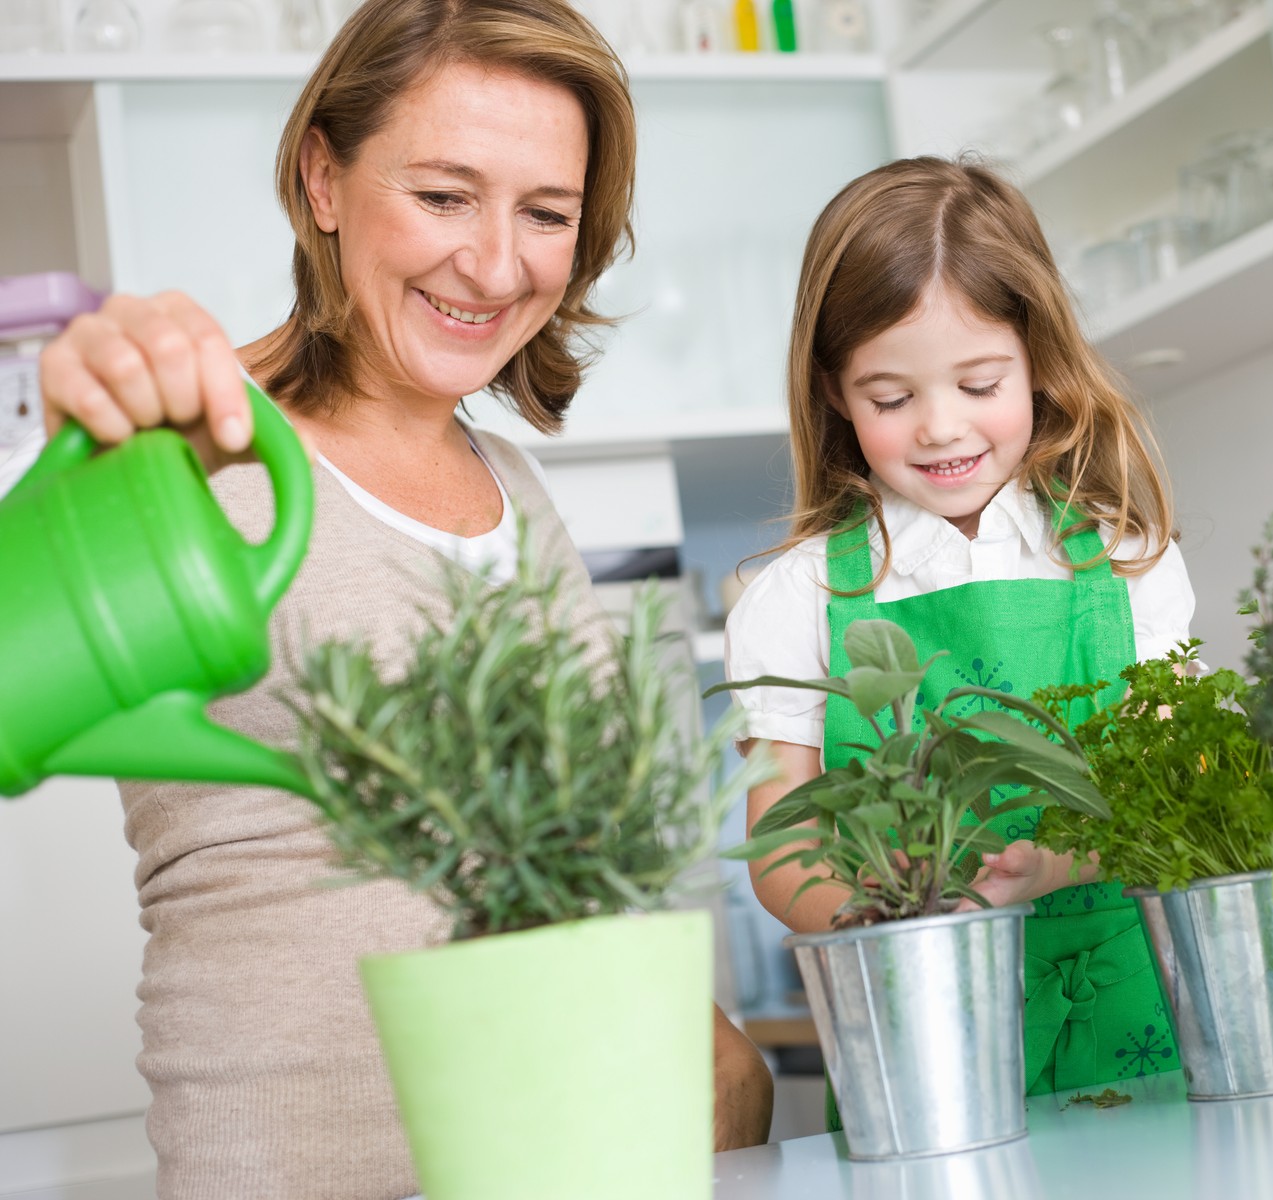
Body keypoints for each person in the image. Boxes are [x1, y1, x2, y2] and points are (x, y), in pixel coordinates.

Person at [16, 1, 772, 1195]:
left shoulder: (515, 487)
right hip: (295, 1161)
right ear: (325, 178)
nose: (494, 262)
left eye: (546, 214)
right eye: (442, 195)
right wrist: (93, 399)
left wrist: (707, 1040)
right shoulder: (192, 443)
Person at [724, 156, 1195, 1100]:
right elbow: (779, 830)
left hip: (1140, 1011)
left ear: (1038, 360)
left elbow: (1177, 793)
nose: (941, 428)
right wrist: (880, 913)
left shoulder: (1127, 560)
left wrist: (1056, 860)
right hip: (924, 1042)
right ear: (833, 394)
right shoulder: (795, 597)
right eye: (891, 399)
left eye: (980, 384)